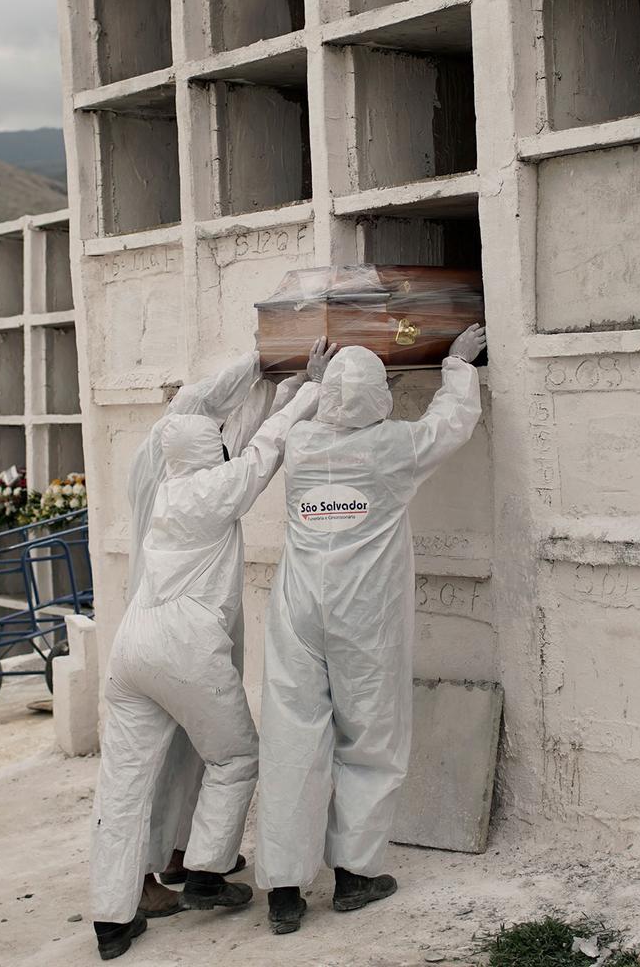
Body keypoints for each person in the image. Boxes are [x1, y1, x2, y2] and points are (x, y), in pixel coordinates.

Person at [88, 360, 327, 961]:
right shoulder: (218, 488)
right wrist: (313, 387)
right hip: (183, 646)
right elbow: (266, 446)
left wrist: (288, 386)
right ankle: (204, 873)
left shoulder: (165, 486)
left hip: (132, 647)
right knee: (237, 756)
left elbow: (244, 442)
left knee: (121, 789)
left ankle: (112, 923)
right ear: (211, 448)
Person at [254, 324, 487, 935]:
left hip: (297, 611)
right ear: (380, 397)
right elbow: (449, 426)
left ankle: (283, 889)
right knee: (371, 736)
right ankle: (355, 875)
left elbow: (276, 426)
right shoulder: (391, 448)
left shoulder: (301, 444)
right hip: (365, 617)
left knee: (290, 738)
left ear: (330, 397)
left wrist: (305, 381)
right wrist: (457, 366)